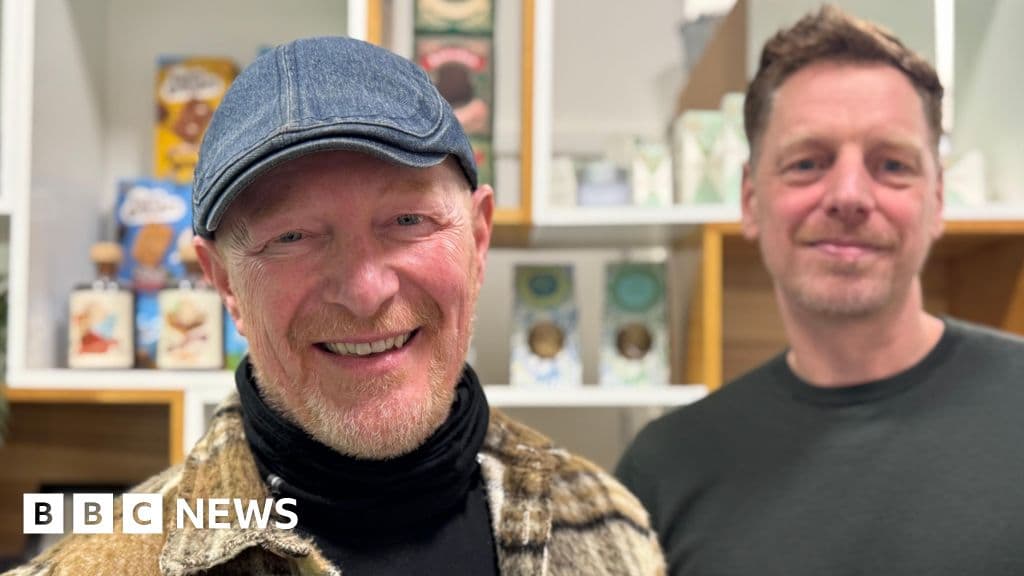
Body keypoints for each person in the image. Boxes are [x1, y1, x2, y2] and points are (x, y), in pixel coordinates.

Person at [7, 37, 663, 576]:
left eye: (407, 219)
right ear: (224, 283)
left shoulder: (609, 528)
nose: (365, 290)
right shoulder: (98, 565)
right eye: (291, 237)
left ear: (479, 237)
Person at [616, 6, 1024, 576]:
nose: (850, 195)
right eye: (808, 163)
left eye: (892, 165)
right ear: (751, 200)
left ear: (938, 200)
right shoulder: (664, 469)